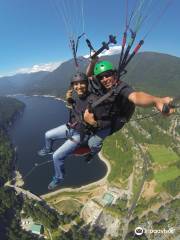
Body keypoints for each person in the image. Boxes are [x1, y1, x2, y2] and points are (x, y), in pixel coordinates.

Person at [38, 72, 110, 190]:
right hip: (71, 127)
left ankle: (58, 178)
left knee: (57, 157)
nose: (79, 86)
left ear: (87, 84)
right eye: (76, 84)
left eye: (82, 83)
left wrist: (92, 123)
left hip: (82, 134)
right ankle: (47, 149)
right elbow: (77, 109)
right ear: (73, 86)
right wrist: (70, 101)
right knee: (48, 135)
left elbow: (106, 123)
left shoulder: (95, 101)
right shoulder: (78, 98)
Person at [83, 60, 174, 149]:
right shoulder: (101, 83)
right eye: (101, 77)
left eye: (107, 75)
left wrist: (156, 101)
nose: (105, 79)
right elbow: (88, 77)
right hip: (107, 113)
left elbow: (136, 97)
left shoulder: (122, 88)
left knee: (93, 143)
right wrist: (93, 62)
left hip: (117, 120)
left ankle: (95, 148)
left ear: (114, 74)